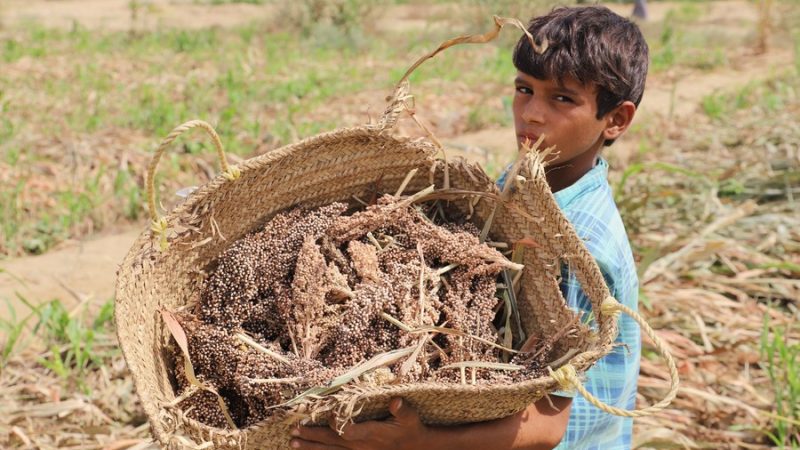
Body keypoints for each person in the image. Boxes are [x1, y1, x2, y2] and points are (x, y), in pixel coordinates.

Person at [290, 5, 647, 449]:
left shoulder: (577, 247)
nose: (532, 113)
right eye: (524, 89)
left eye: (562, 99)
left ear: (616, 119)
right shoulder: (524, 181)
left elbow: (549, 425)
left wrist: (418, 440)